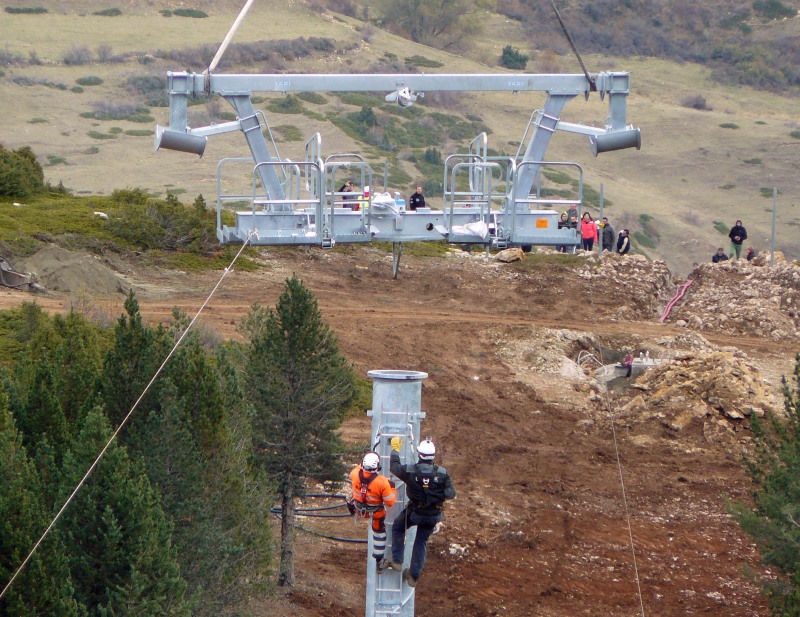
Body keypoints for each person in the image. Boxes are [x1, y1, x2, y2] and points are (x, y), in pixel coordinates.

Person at [384, 437, 456, 587]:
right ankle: (414, 575)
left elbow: (395, 468)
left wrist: (395, 450)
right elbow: (450, 494)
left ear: (419, 454)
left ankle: (397, 561)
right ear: (433, 456)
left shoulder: (410, 471)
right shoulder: (443, 474)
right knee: (421, 541)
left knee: (398, 526)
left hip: (415, 513)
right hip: (433, 515)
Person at [347, 452, 397, 571]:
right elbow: (390, 502)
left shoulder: (354, 474)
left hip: (359, 509)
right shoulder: (381, 482)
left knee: (351, 497)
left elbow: (359, 469)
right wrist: (392, 488)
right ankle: (379, 561)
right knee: (379, 533)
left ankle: (379, 562)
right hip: (375, 513)